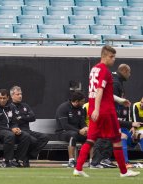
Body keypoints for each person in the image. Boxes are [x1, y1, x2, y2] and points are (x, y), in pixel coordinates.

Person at [73, 45, 140, 177]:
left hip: (93, 109)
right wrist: (98, 109)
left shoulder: (94, 69)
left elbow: (103, 92)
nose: (114, 60)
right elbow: (100, 91)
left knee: (91, 139)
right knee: (117, 139)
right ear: (106, 56)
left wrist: (120, 101)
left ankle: (78, 167)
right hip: (105, 111)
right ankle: (124, 171)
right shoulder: (105, 71)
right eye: (112, 57)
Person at [9, 86, 50, 167]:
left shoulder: (25, 106)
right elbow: (13, 121)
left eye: (21, 94)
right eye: (17, 94)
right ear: (12, 96)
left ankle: (27, 156)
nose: (20, 96)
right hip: (18, 132)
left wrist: (21, 117)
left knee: (45, 137)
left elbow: (32, 117)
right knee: (33, 140)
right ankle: (19, 159)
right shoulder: (9, 107)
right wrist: (25, 117)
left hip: (27, 130)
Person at [0, 89, 30, 167]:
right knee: (10, 135)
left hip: (10, 131)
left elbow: (14, 122)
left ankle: (16, 160)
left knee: (26, 136)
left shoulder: (11, 107)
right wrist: (11, 129)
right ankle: (6, 161)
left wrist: (16, 128)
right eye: (0, 98)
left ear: (8, 98)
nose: (2, 100)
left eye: (4, 98)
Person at [55, 91, 88, 168]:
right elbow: (65, 125)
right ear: (77, 101)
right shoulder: (63, 108)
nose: (84, 103)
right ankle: (71, 161)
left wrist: (85, 128)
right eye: (82, 101)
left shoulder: (82, 109)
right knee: (72, 135)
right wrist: (79, 131)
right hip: (62, 132)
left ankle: (92, 161)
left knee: (91, 136)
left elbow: (82, 122)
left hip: (77, 132)